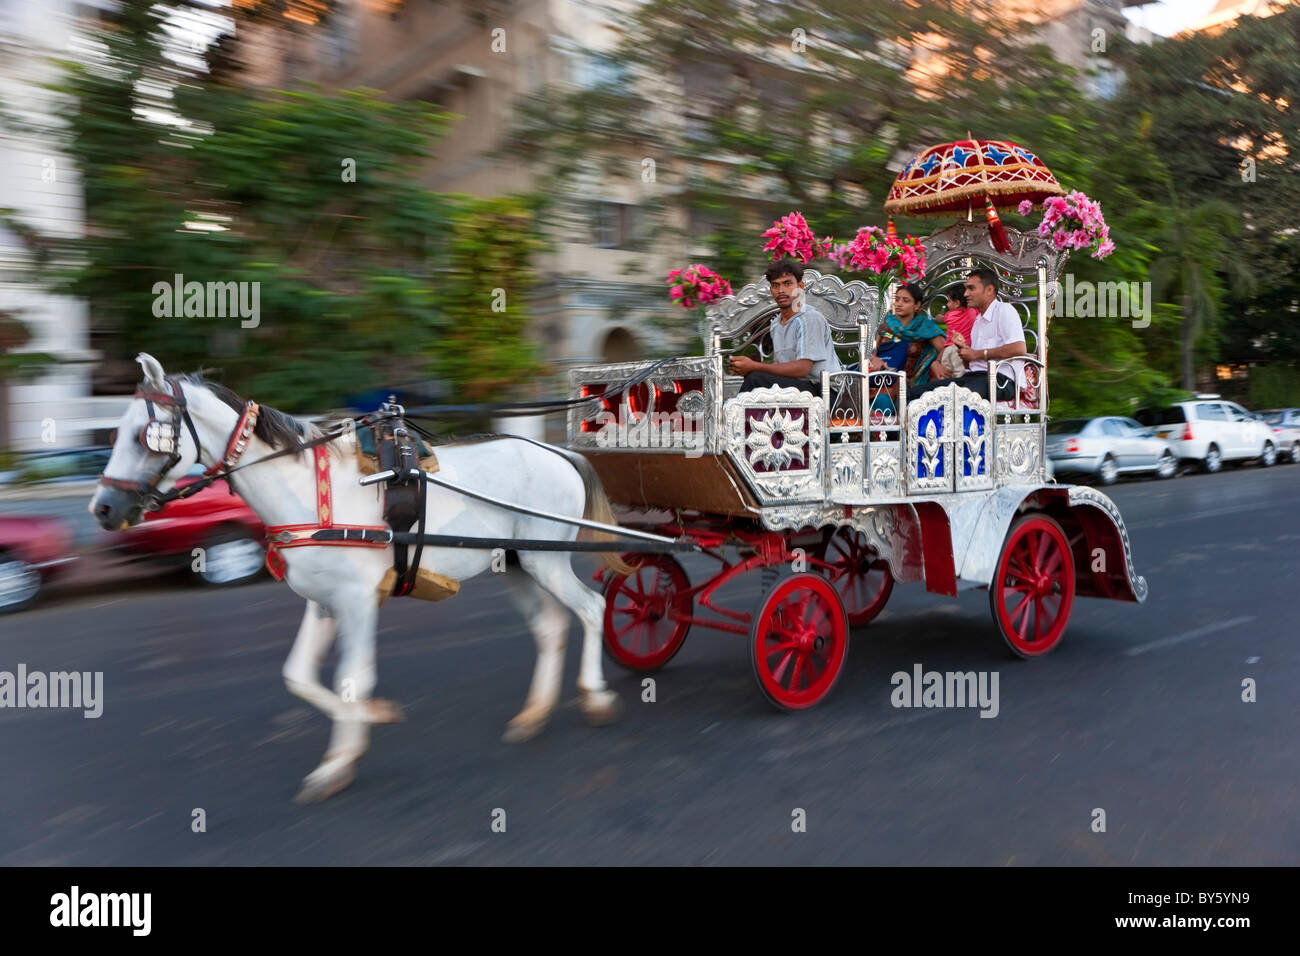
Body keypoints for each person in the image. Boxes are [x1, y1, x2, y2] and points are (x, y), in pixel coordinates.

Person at [910, 267, 1025, 401]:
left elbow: (1019, 348)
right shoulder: (977, 321)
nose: (965, 294)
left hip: (1000, 380)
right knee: (915, 394)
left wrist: (976, 354)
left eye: (971, 288)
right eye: (966, 289)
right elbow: (969, 365)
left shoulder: (1004, 310)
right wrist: (963, 350)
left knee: (953, 398)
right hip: (973, 377)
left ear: (989, 290)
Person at [730, 258, 841, 395]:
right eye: (775, 285)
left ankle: (733, 413)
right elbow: (781, 368)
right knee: (754, 377)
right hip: (797, 387)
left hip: (825, 391)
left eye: (787, 284)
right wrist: (746, 368)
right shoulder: (776, 324)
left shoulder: (809, 318)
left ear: (800, 287)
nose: (781, 290)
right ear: (771, 290)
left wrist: (755, 367)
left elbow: (802, 369)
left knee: (755, 379)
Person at [862, 282, 949, 416]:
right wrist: (874, 359)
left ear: (917, 305)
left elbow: (946, 348)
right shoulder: (886, 324)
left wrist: (935, 362)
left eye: (905, 300)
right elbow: (870, 352)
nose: (899, 304)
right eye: (897, 299)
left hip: (909, 385)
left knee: (882, 402)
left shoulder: (924, 326)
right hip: (880, 379)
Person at [938, 284, 979, 378]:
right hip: (962, 348)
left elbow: (941, 319)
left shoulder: (949, 316)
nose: (947, 304)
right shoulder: (972, 312)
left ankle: (944, 389)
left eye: (949, 301)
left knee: (946, 374)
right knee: (960, 374)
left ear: (956, 303)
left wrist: (938, 317)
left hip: (948, 350)